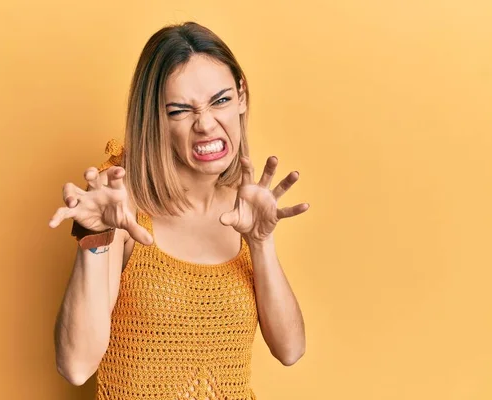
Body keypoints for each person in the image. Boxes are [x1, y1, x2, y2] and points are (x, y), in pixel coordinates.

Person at [49, 21, 309, 400]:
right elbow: (75, 366)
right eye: (180, 110)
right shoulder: (123, 203)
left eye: (220, 100)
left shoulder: (246, 205)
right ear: (154, 119)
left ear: (241, 97)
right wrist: (95, 238)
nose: (205, 124)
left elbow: (290, 349)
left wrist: (261, 243)